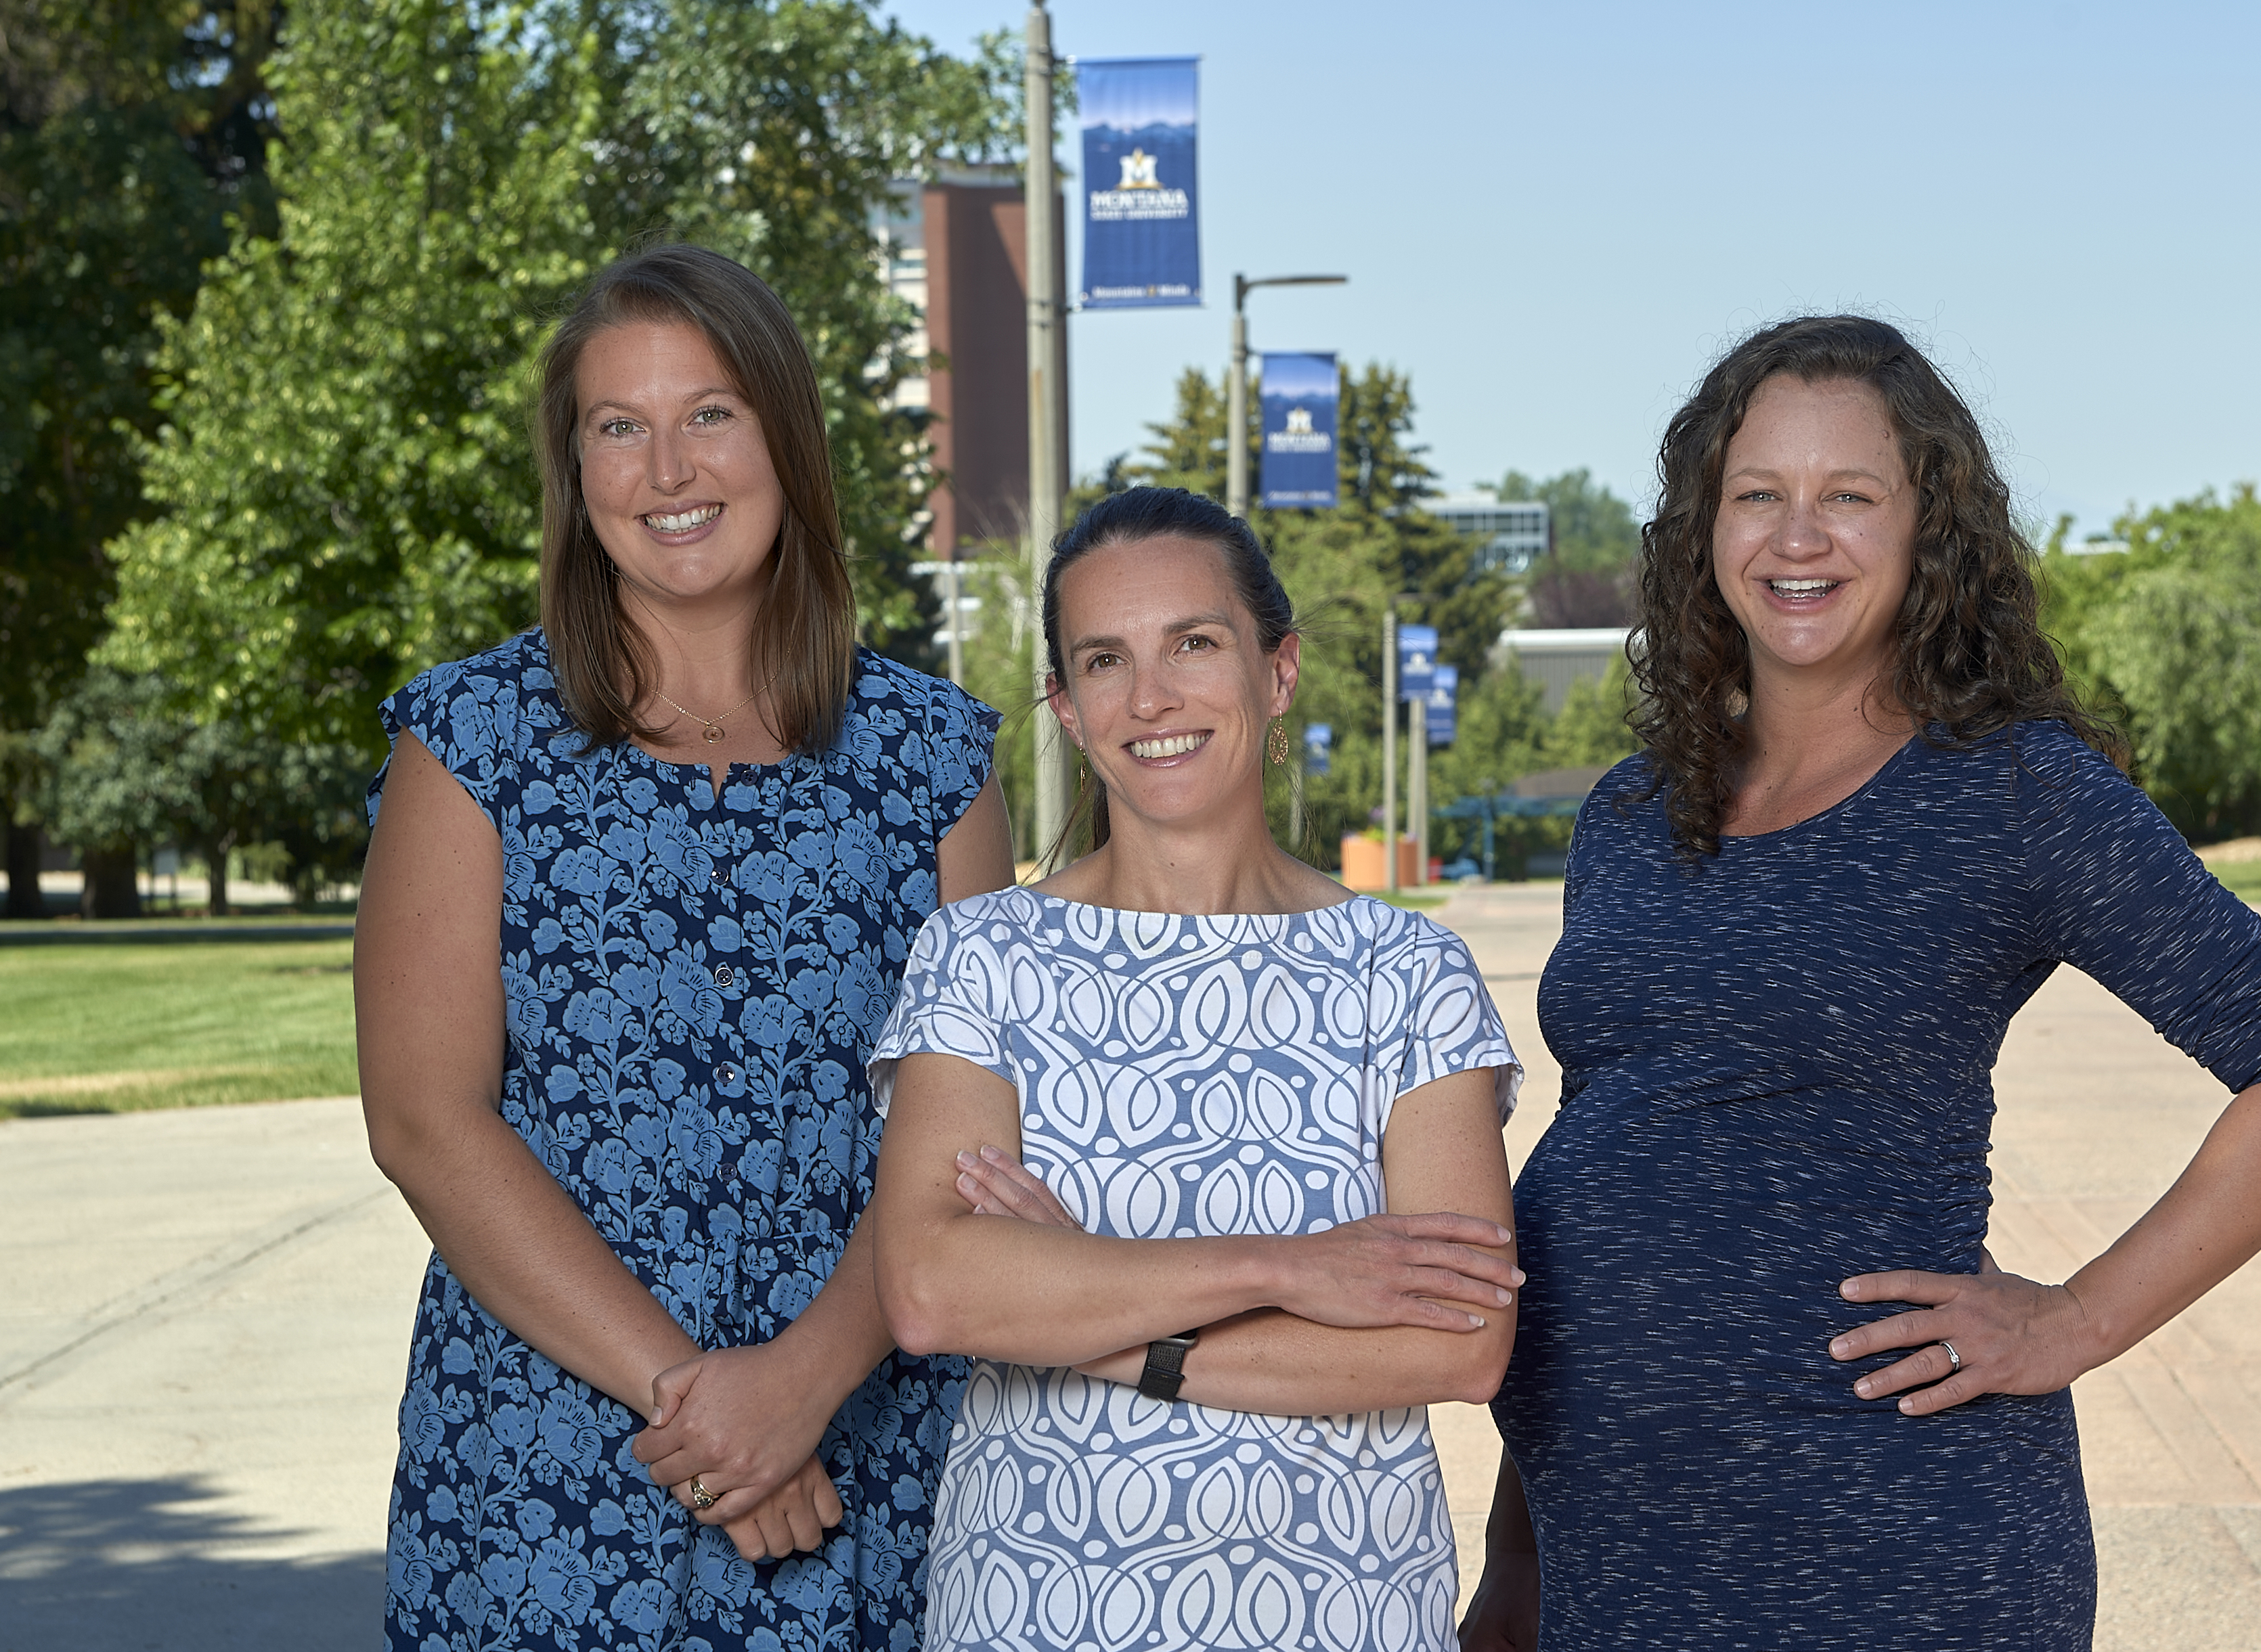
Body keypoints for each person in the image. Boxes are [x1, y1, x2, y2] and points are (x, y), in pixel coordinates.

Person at [1462, 316, 2261, 1652]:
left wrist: (2074, 1318)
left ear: (1925, 529)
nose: (1798, 538)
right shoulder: (1631, 809)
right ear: (1701, 530)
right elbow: (1611, 1157)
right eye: (1758, 496)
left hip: (1885, 1540)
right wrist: (1514, 1557)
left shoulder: (2010, 789)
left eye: (1849, 497)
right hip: (1616, 1549)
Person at [355, 242, 1013, 1651]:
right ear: (574, 469)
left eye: (710, 413)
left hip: (866, 1454)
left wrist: (800, 1386)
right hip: (546, 1461)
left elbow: (964, 1142)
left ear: (785, 434)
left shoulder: (932, 759)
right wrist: (696, 1402)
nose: (668, 470)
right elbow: (424, 1119)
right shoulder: (468, 744)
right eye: (619, 427)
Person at [866, 486, 1526, 1652]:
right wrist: (1293, 1269)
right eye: (1105, 661)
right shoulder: (980, 956)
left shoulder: (1406, 971)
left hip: (1345, 1604)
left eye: (1194, 642)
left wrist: (1079, 1306)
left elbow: (1458, 1342)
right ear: (1067, 709)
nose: (1152, 696)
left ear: (1278, 671)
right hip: (1038, 1605)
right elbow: (930, 1290)